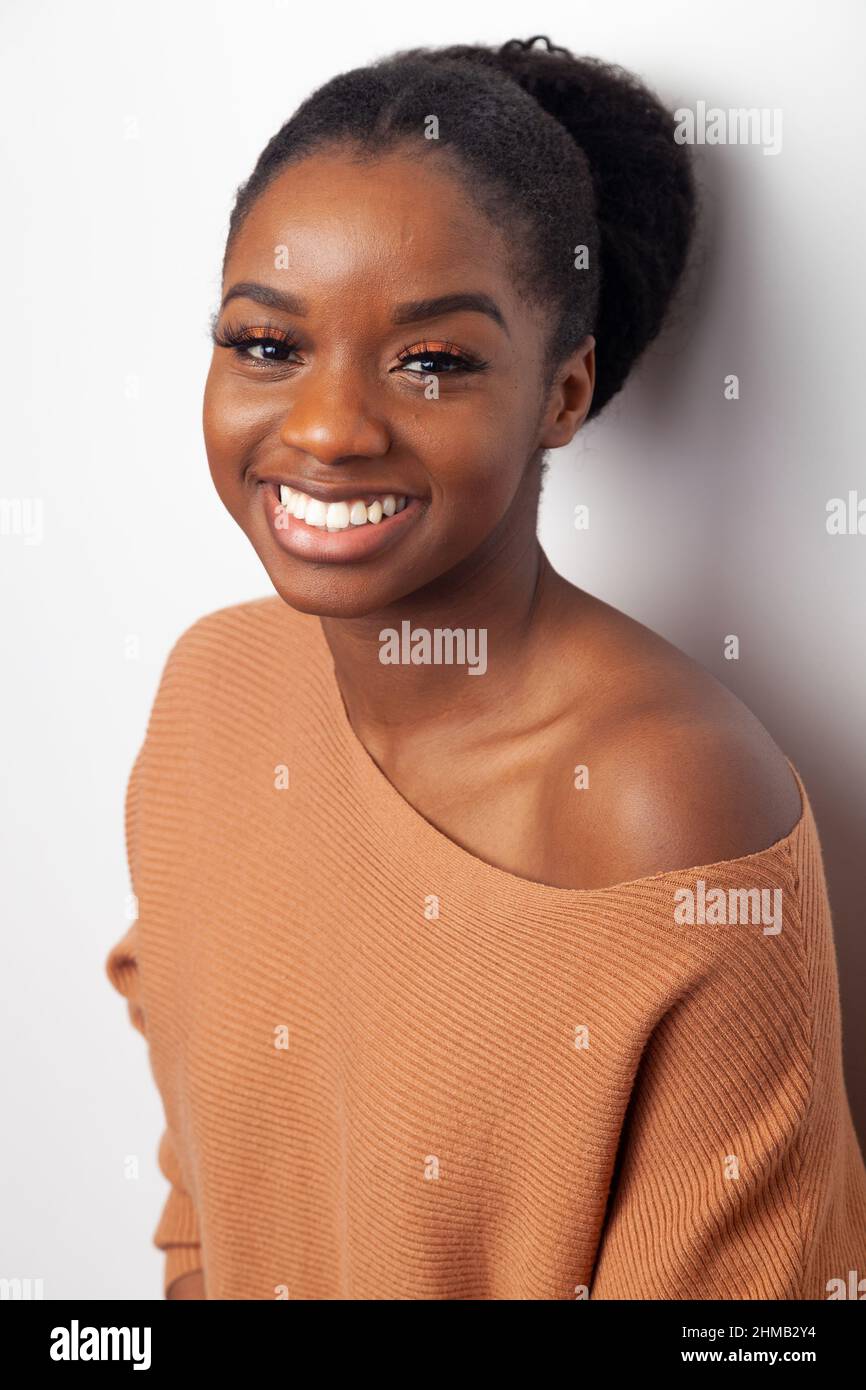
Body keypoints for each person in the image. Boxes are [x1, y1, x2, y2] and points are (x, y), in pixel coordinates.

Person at [105, 36, 866, 1299]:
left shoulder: (668, 799)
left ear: (560, 396)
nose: (326, 429)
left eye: (432, 361)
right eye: (266, 344)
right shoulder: (212, 697)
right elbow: (211, 1205)